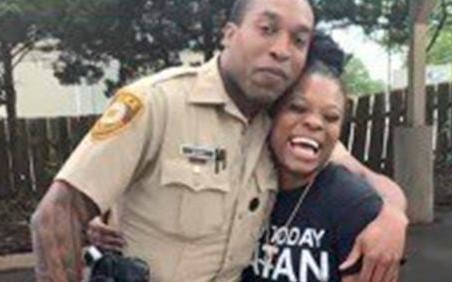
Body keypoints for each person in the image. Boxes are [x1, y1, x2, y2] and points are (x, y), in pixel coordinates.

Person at [30, 0, 407, 281]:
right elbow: (54, 217)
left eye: (299, 39)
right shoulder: (158, 102)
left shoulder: (281, 126)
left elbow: (370, 178)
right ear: (229, 34)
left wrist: (392, 218)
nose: (281, 48)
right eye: (267, 28)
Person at [241, 33, 382, 282]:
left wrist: (393, 212)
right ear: (271, 116)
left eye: (331, 117)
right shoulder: (241, 185)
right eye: (297, 108)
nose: (315, 123)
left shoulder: (354, 205)